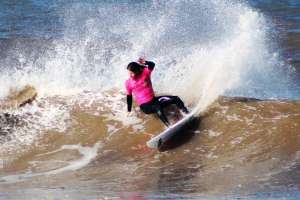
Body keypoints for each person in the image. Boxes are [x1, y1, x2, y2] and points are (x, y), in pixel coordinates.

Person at [125, 57, 189, 127]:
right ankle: (169, 126)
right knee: (157, 107)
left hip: (154, 100)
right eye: (129, 73)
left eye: (132, 73)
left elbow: (152, 64)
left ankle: (187, 114)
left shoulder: (145, 73)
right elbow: (129, 96)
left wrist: (145, 62)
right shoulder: (128, 83)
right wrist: (129, 110)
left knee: (176, 99)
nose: (130, 75)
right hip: (145, 106)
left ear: (137, 71)